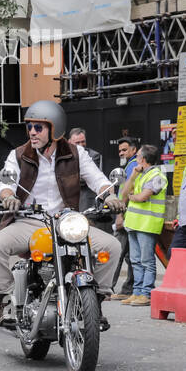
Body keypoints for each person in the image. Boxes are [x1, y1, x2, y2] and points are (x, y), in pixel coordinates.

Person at [0, 99, 123, 328]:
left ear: (55, 128)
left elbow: (97, 179)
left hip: (66, 222)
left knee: (112, 246)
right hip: (29, 221)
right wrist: (8, 197)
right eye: (29, 126)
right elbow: (6, 183)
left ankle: (96, 302)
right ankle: (6, 300)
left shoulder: (76, 153)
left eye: (38, 127)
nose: (32, 132)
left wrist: (109, 195)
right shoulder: (18, 154)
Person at [119, 144, 167, 306]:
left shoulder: (157, 175)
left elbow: (143, 197)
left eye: (138, 156)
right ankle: (137, 292)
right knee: (136, 261)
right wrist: (132, 177)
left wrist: (133, 196)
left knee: (146, 261)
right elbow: (124, 194)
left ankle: (146, 293)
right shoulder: (139, 175)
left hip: (147, 225)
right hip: (133, 224)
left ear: (143, 159)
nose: (136, 159)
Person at [108, 136, 140, 300]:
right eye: (120, 150)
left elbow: (127, 191)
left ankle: (106, 289)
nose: (121, 153)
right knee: (130, 256)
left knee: (116, 252)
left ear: (134, 150)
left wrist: (120, 215)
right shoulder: (130, 165)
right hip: (131, 216)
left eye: (125, 150)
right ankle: (128, 290)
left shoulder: (132, 166)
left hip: (126, 215)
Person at [68, 128, 103, 211]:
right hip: (68, 199)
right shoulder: (64, 155)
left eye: (83, 141)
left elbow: (85, 179)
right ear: (69, 142)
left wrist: (66, 177)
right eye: (77, 142)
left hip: (85, 200)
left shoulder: (94, 155)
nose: (81, 145)